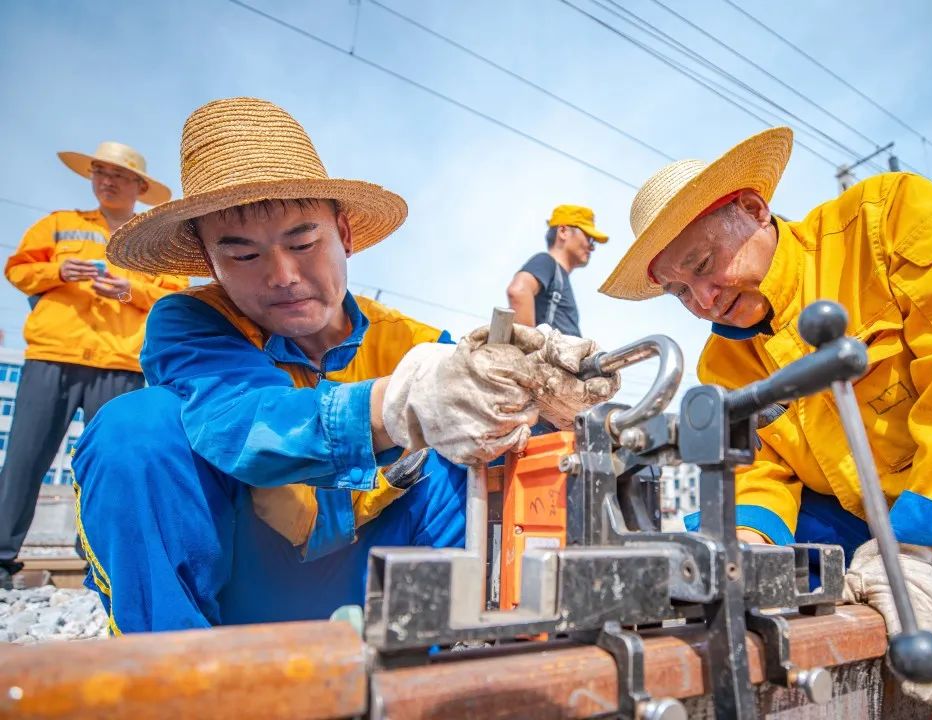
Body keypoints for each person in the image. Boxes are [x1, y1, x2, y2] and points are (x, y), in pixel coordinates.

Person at [72, 97, 618, 633]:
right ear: (209, 261)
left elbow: (490, 436)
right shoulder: (191, 322)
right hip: (245, 590)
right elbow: (247, 422)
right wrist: (399, 404)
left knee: (473, 450)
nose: (282, 275)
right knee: (133, 429)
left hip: (376, 586)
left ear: (345, 236)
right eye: (242, 255)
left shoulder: (414, 342)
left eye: (304, 242)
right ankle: (176, 681)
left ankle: (465, 658)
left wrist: (539, 405)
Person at [599, 127, 932, 705]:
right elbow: (759, 471)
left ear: (753, 210)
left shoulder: (890, 217)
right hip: (887, 530)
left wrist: (923, 542)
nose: (702, 300)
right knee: (790, 554)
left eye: (704, 264)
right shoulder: (723, 362)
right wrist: (743, 557)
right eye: (681, 292)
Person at [0, 142, 187, 589]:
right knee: (25, 459)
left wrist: (129, 290)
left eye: (119, 175)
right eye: (100, 172)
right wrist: (58, 273)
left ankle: (100, 564)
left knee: (110, 464)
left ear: (140, 187)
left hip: (120, 361)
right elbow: (18, 270)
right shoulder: (59, 224)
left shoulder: (152, 241)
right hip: (53, 352)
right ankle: (3, 559)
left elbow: (176, 296)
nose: (107, 181)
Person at [507, 205, 607, 337]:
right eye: (589, 238)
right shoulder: (546, 262)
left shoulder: (558, 276)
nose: (592, 247)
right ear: (563, 231)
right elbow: (518, 291)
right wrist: (529, 347)